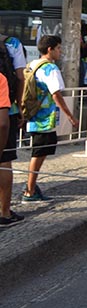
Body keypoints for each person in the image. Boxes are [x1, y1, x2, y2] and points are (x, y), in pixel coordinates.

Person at [22, 36, 79, 201]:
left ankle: (31, 186)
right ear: (50, 49)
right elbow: (56, 94)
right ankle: (30, 190)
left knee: (39, 152)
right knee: (39, 153)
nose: (61, 51)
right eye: (58, 48)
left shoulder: (32, 64)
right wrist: (70, 116)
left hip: (33, 115)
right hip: (45, 118)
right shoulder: (51, 68)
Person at [1, 33, 27, 225]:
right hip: (7, 109)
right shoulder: (12, 43)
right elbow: (20, 77)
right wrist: (19, 105)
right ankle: (4, 212)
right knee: (4, 161)